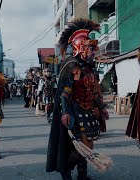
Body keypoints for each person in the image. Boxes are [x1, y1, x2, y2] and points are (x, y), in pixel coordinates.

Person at [46, 18, 109, 180]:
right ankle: (66, 174)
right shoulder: (71, 65)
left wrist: (101, 107)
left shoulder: (89, 68)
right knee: (72, 147)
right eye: (91, 49)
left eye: (94, 49)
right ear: (80, 48)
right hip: (73, 112)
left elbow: (94, 91)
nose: (94, 52)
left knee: (86, 145)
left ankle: (82, 175)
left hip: (87, 111)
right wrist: (65, 113)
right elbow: (65, 93)